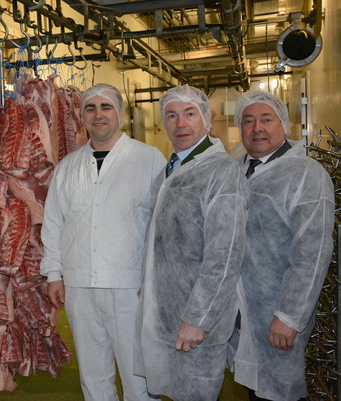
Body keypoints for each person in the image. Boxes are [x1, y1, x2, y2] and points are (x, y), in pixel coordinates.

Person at [41, 83, 166, 401]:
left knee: (138, 376)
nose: (98, 115)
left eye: (106, 107)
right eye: (91, 108)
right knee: (93, 376)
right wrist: (54, 274)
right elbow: (54, 223)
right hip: (80, 285)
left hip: (129, 285)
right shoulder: (68, 166)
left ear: (121, 115)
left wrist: (153, 277)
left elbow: (162, 225)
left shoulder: (148, 159)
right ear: (82, 116)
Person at [137, 85, 248, 401]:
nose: (180, 124)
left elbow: (225, 254)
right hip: (168, 311)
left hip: (196, 317)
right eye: (171, 115)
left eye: (189, 114)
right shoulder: (172, 168)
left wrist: (199, 318)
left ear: (207, 120)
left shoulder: (221, 171)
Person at [229, 91, 334, 401]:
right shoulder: (233, 172)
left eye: (266, 119)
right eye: (248, 121)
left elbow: (312, 254)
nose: (256, 128)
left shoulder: (306, 175)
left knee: (278, 392)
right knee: (251, 387)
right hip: (238, 312)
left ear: (284, 125)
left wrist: (289, 316)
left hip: (276, 313)